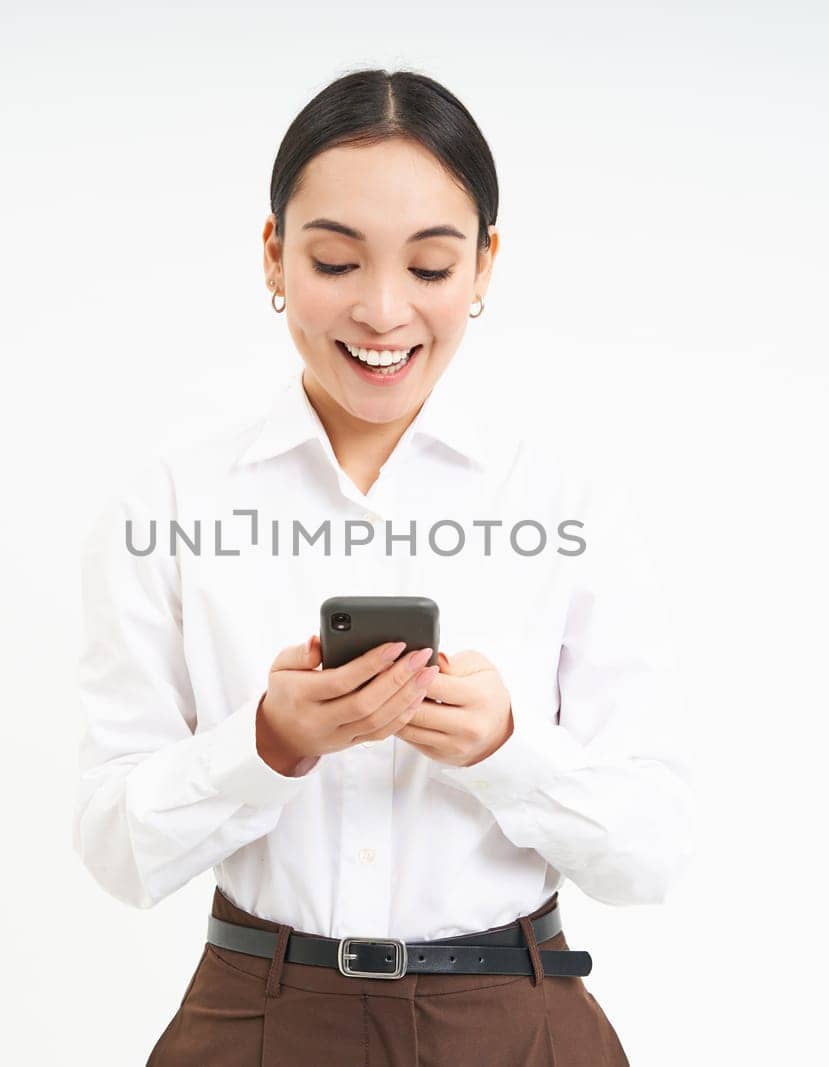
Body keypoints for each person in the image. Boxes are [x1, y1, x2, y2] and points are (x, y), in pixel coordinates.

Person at [73, 67, 693, 1066]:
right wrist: (266, 742)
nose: (381, 310)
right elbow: (117, 849)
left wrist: (504, 746)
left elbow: (651, 853)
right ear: (274, 253)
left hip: (514, 1020)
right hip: (258, 1018)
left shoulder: (565, 502)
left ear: (484, 267)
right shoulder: (172, 504)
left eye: (431, 267)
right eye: (334, 259)